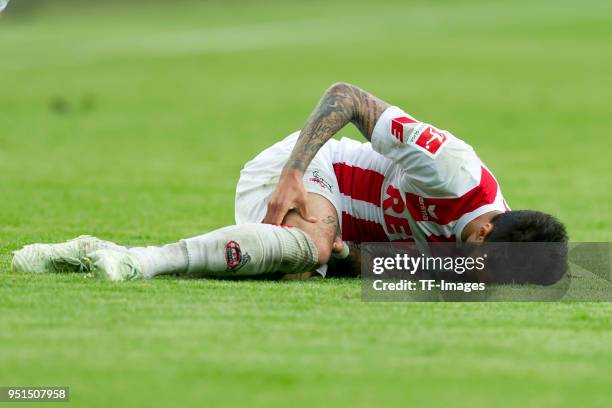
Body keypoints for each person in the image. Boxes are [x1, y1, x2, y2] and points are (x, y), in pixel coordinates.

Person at [11, 83, 567, 282]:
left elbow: (377, 265)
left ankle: (93, 251)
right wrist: (294, 174)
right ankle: (140, 264)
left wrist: (351, 258)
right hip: (308, 170)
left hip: (333, 223)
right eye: (478, 257)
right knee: (311, 246)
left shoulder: (480, 263)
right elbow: (347, 97)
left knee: (299, 266)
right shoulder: (453, 169)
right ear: (489, 224)